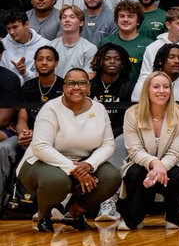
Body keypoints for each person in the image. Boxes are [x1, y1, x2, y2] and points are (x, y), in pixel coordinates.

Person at [17, 67, 119, 232]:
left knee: (112, 176)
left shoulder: (99, 109)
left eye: (82, 83)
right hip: (42, 163)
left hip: (84, 163)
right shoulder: (51, 108)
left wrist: (89, 164)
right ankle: (44, 216)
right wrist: (73, 168)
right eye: (71, 83)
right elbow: (40, 146)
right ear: (64, 87)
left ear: (89, 87)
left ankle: (75, 213)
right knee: (57, 180)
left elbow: (108, 144)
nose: (76, 87)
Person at [115, 69, 179, 231]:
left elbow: (176, 152)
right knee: (136, 173)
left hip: (173, 162)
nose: (162, 91)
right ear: (147, 90)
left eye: (166, 87)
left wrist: (160, 167)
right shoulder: (132, 114)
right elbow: (134, 150)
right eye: (156, 87)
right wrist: (153, 163)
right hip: (140, 162)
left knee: (177, 176)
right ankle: (134, 218)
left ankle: (173, 215)